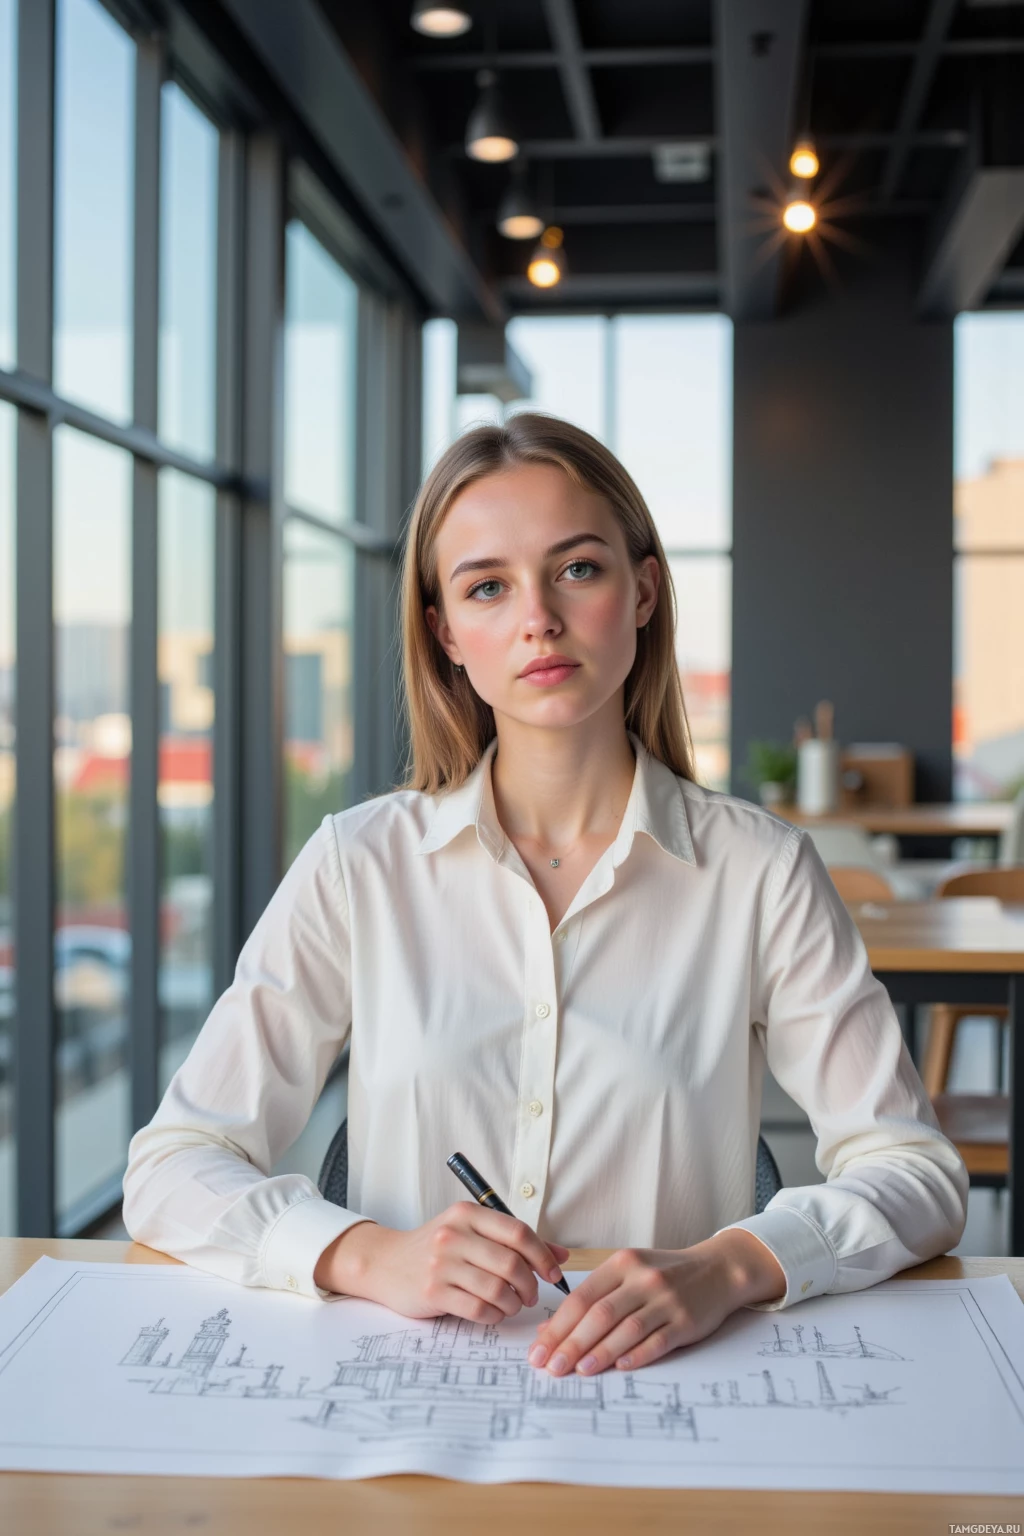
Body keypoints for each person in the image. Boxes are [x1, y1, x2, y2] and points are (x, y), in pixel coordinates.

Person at [123, 412, 968, 1382]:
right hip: (409, 1395)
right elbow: (174, 1164)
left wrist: (730, 1266)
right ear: (445, 633)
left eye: (576, 569)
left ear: (642, 589)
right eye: (488, 586)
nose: (538, 618)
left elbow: (915, 1173)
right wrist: (365, 1254)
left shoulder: (760, 870)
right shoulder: (356, 864)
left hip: (671, 1393)